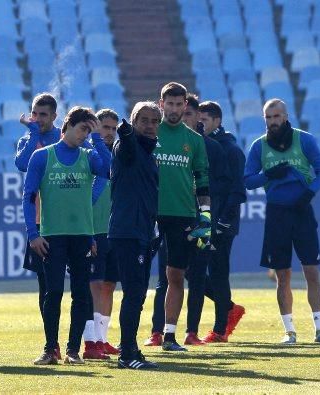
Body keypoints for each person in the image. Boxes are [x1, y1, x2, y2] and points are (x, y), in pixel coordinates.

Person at [243, 98, 320, 344]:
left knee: (311, 271)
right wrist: (268, 175)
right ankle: (289, 331)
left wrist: (309, 192)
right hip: (277, 213)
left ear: (285, 116)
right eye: (268, 118)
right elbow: (247, 180)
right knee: (282, 275)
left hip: (302, 210)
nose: (272, 121)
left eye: (276, 116)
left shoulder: (304, 139)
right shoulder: (258, 146)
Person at [22, 107, 110, 365]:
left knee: (81, 293)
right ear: (67, 127)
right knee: (53, 292)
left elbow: (107, 170)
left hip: (82, 235)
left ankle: (73, 350)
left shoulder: (89, 156)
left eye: (89, 130)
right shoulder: (42, 157)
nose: (85, 134)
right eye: (83, 129)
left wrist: (96, 139)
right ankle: (51, 348)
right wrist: (32, 233)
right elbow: (28, 197)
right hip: (52, 236)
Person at [144, 82, 210, 352]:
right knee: (137, 275)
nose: (173, 109)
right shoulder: (149, 134)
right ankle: (132, 336)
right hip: (149, 213)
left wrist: (205, 218)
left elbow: (202, 180)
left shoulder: (194, 140)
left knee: (175, 275)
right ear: (161, 104)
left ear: (186, 105)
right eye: (168, 104)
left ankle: (169, 336)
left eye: (178, 104)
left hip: (182, 214)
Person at [110, 102, 162, 369]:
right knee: (133, 294)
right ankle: (127, 353)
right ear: (134, 121)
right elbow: (127, 146)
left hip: (141, 232)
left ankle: (131, 348)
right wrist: (126, 133)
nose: (150, 125)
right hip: (128, 232)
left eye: (155, 121)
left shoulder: (148, 153)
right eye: (144, 120)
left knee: (138, 294)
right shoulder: (126, 148)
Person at [14, 93, 62, 356]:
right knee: (47, 287)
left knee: (83, 285)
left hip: (69, 221)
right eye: (35, 113)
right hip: (41, 223)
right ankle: (51, 344)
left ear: (54, 116)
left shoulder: (63, 138)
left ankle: (86, 343)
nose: (39, 119)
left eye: (44, 114)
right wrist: (33, 134)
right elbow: (21, 164)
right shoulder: (28, 139)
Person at [197, 101, 248, 343]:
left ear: (217, 121)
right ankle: (228, 307)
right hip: (205, 219)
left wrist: (224, 222)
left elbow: (237, 190)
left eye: (204, 120)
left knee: (218, 272)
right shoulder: (201, 145)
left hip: (222, 223)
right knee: (190, 270)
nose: (200, 124)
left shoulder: (231, 149)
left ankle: (219, 330)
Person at [182, 94, 230, 346]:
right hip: (176, 215)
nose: (191, 119)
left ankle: (197, 330)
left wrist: (217, 221)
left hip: (204, 219)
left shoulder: (217, 148)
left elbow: (223, 188)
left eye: (193, 115)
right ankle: (163, 331)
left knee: (203, 274)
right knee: (172, 275)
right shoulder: (166, 141)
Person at [82, 109, 120, 360]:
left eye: (113, 128)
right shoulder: (88, 155)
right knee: (92, 287)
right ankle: (90, 342)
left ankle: (103, 339)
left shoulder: (118, 155)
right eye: (105, 127)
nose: (109, 132)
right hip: (91, 229)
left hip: (113, 230)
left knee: (108, 286)